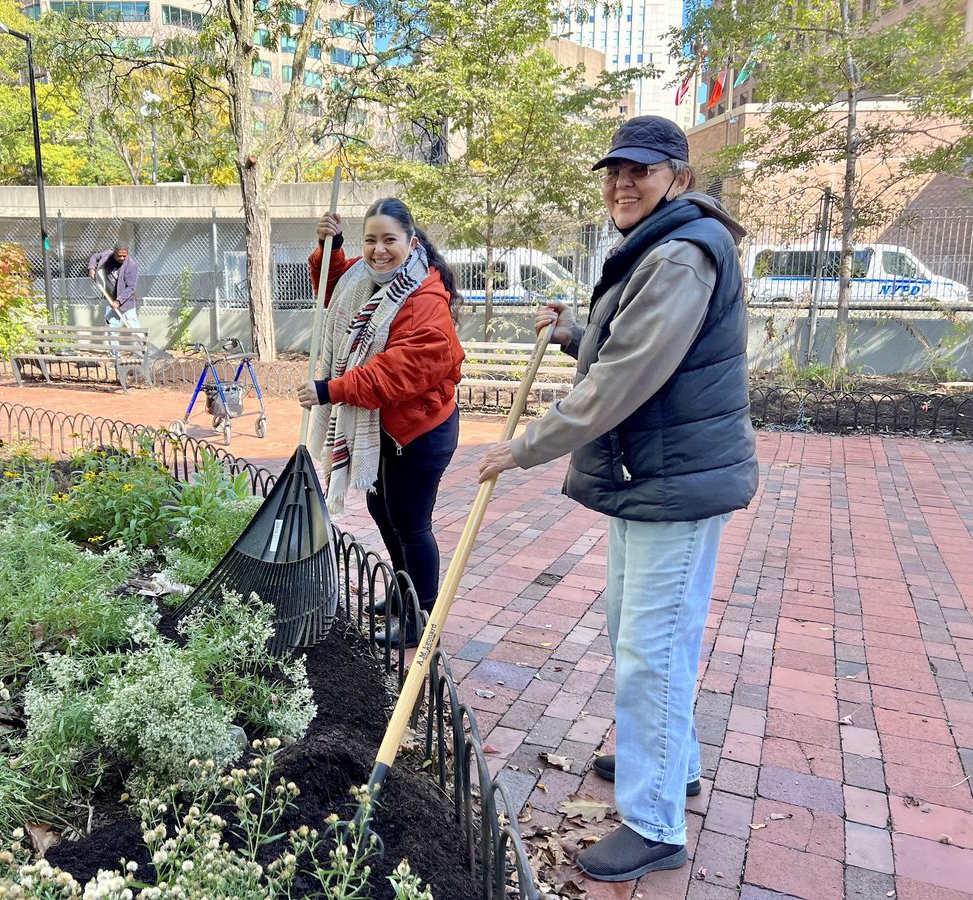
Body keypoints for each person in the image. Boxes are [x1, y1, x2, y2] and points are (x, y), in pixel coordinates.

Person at [478, 116, 759, 882]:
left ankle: (657, 820)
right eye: (613, 171)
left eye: (640, 169)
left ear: (678, 177)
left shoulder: (680, 254)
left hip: (673, 478)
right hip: (654, 476)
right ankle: (672, 762)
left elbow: (627, 375)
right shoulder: (662, 248)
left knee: (651, 648)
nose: (622, 183)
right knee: (639, 633)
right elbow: (632, 345)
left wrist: (527, 446)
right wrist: (573, 334)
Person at [296, 198, 465, 649]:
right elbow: (332, 296)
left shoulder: (424, 298)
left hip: (420, 430)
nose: (378, 249)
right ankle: (402, 593)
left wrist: (331, 390)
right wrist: (328, 248)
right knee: (381, 509)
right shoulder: (369, 280)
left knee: (410, 522)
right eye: (370, 239)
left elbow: (399, 371)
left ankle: (420, 616)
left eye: (389, 239)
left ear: (411, 242)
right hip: (384, 427)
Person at [88, 244, 140, 329]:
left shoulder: (132, 266)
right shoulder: (106, 256)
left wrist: (118, 301)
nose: (122, 258)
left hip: (126, 302)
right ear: (114, 252)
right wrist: (91, 268)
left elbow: (131, 287)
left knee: (134, 328)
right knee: (112, 328)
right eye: (119, 256)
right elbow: (94, 257)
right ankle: (113, 343)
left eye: (124, 256)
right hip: (110, 299)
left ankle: (141, 342)